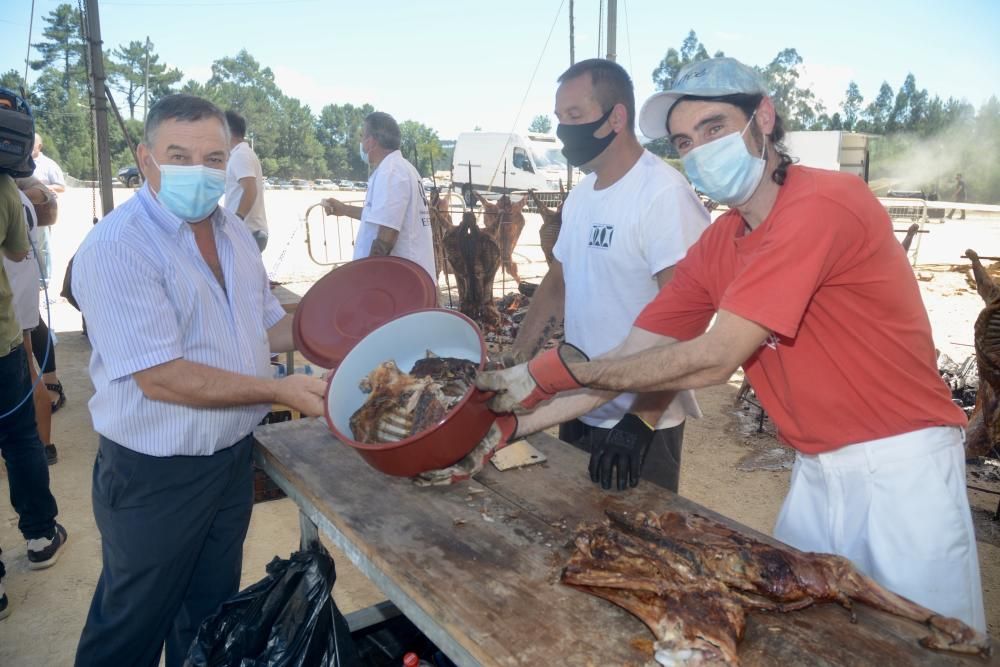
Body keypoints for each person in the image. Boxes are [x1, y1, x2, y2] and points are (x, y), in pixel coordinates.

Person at [477, 57, 986, 632]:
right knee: (801, 633)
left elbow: (717, 357)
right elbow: (627, 359)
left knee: (927, 641)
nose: (698, 150)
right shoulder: (722, 242)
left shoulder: (821, 205)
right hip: (816, 468)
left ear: (762, 117)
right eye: (684, 140)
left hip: (901, 465)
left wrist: (559, 378)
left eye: (715, 127)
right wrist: (513, 424)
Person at [71, 93, 328, 667]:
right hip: (156, 475)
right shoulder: (118, 248)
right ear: (145, 158)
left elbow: (268, 326)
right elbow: (162, 378)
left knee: (209, 617)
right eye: (178, 155)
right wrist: (280, 390)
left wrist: (337, 323)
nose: (199, 170)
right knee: (131, 625)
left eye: (214, 158)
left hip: (230, 461)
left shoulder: (232, 231)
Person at [508, 58, 709, 492]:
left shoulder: (663, 196)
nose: (563, 131)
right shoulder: (581, 198)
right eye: (560, 118)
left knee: (635, 552)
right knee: (571, 534)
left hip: (640, 421)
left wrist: (639, 420)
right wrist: (515, 361)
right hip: (574, 406)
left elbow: (688, 323)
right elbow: (556, 285)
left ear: (616, 118)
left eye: (575, 116)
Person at [0, 86, 68, 623]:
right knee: (21, 437)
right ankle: (41, 533)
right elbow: (20, 247)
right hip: (5, 335)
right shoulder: (5, 188)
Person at [320, 111, 435, 280]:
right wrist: (344, 209)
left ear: (371, 141)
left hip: (400, 282)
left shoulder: (391, 172)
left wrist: (370, 279)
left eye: (362, 136)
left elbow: (387, 233)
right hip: (407, 278)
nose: (361, 142)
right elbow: (382, 216)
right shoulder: (400, 168)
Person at [6, 177, 60, 465]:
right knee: (28, 369)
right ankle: (44, 446)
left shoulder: (9, 194)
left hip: (9, 298)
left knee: (22, 372)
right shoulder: (19, 194)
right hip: (21, 295)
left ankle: (36, 447)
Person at [29, 133, 67, 413]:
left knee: (29, 321)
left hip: (17, 266)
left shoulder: (19, 175)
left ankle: (50, 383)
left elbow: (49, 205)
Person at [223, 110, 269, 251]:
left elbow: (250, 190)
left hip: (247, 232)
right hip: (249, 232)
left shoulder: (240, 155)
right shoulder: (241, 154)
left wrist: (236, 221)